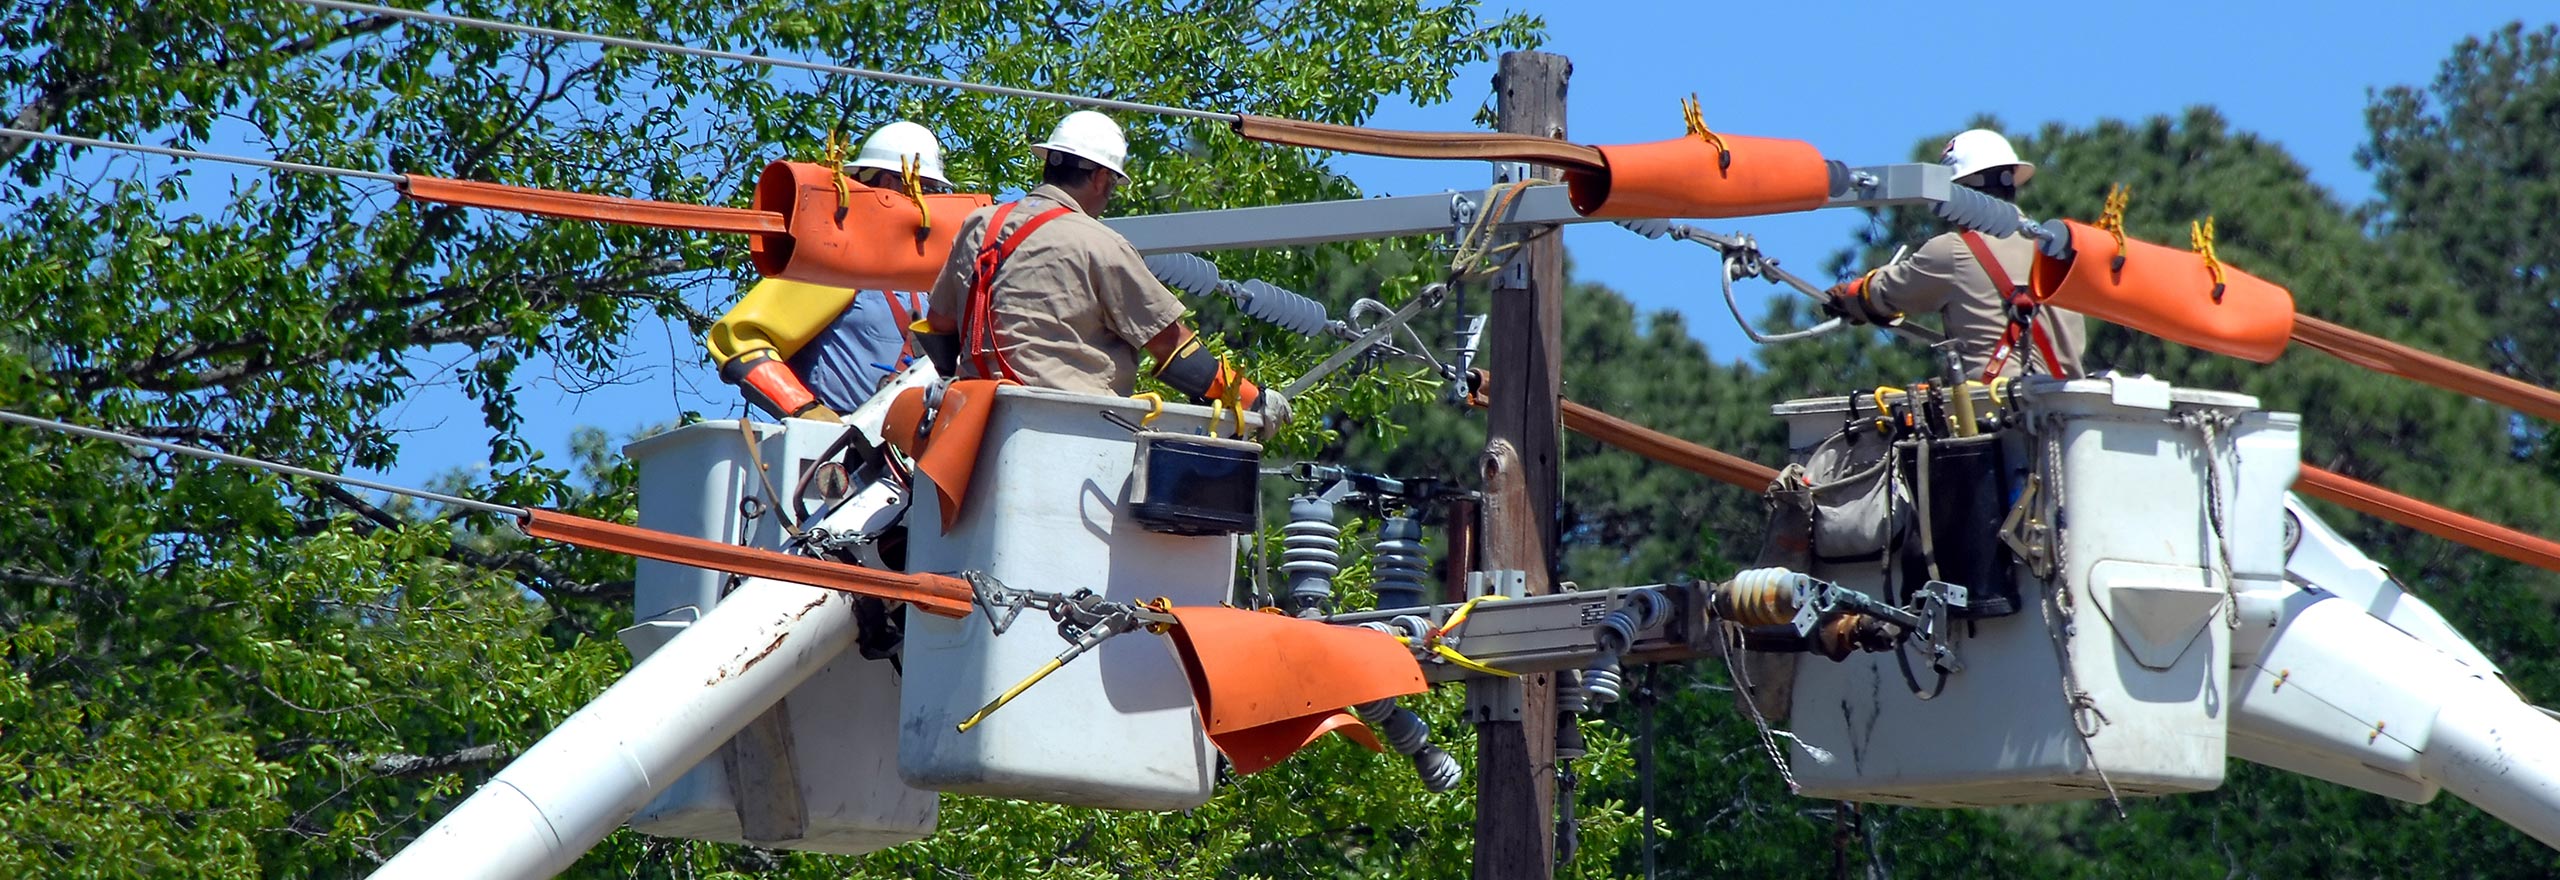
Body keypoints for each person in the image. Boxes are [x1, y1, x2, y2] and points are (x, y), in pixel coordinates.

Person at [918, 110, 1291, 435]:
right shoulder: (1100, 244)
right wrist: (1251, 399)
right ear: (1099, 178)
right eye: (1112, 185)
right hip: (1072, 432)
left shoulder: (979, 225)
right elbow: (1174, 347)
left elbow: (939, 324)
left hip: (970, 431)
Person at [708, 120, 954, 422]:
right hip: (838, 452)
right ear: (891, 185)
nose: (935, 202)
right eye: (928, 189)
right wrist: (806, 410)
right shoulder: (841, 262)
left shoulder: (927, 279)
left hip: (909, 453)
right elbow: (738, 339)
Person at [1825, 128, 2089, 380]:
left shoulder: (1954, 251)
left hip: (2002, 410)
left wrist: (1849, 297)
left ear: (1957, 193)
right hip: (2073, 410)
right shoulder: (2056, 250)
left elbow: (1887, 293)